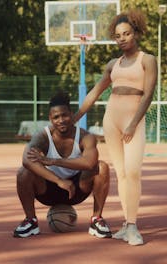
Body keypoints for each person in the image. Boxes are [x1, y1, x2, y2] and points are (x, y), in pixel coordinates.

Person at [72, 9, 158, 246]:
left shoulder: (147, 60)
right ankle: (126, 226)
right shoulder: (113, 64)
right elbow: (94, 93)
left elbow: (148, 94)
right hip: (112, 120)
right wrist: (75, 117)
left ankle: (133, 226)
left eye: (127, 34)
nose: (122, 39)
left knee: (133, 172)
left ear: (136, 33)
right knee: (120, 173)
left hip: (133, 121)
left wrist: (133, 124)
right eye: (118, 35)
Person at [13, 91, 112, 239]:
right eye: (56, 117)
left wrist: (53, 161)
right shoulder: (43, 136)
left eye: (64, 115)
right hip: (48, 189)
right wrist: (59, 181)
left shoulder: (85, 137)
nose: (61, 120)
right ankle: (31, 221)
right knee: (23, 172)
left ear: (71, 115)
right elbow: (26, 160)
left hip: (77, 189)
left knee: (102, 167)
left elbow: (90, 162)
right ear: (50, 119)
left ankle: (96, 220)